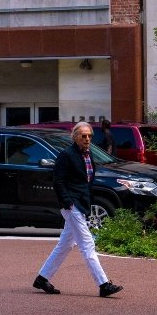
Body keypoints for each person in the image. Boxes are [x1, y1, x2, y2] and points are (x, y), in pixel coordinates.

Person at [33, 121, 123, 298]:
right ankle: (103, 284)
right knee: (87, 244)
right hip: (71, 205)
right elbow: (58, 181)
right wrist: (68, 203)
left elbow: (86, 182)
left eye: (89, 136)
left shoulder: (88, 155)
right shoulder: (66, 155)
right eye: (83, 136)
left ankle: (42, 278)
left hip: (81, 205)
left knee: (65, 245)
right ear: (75, 137)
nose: (87, 139)